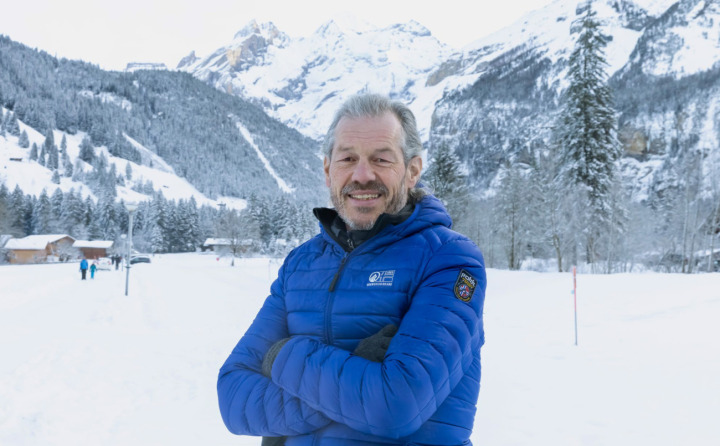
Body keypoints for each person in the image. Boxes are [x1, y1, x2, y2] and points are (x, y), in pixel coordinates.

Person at [217, 94, 486, 445]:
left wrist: (281, 355)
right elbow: (234, 399)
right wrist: (355, 374)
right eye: (348, 158)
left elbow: (395, 406)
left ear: (413, 170)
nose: (362, 175)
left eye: (381, 159)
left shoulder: (449, 259)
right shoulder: (300, 264)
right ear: (328, 169)